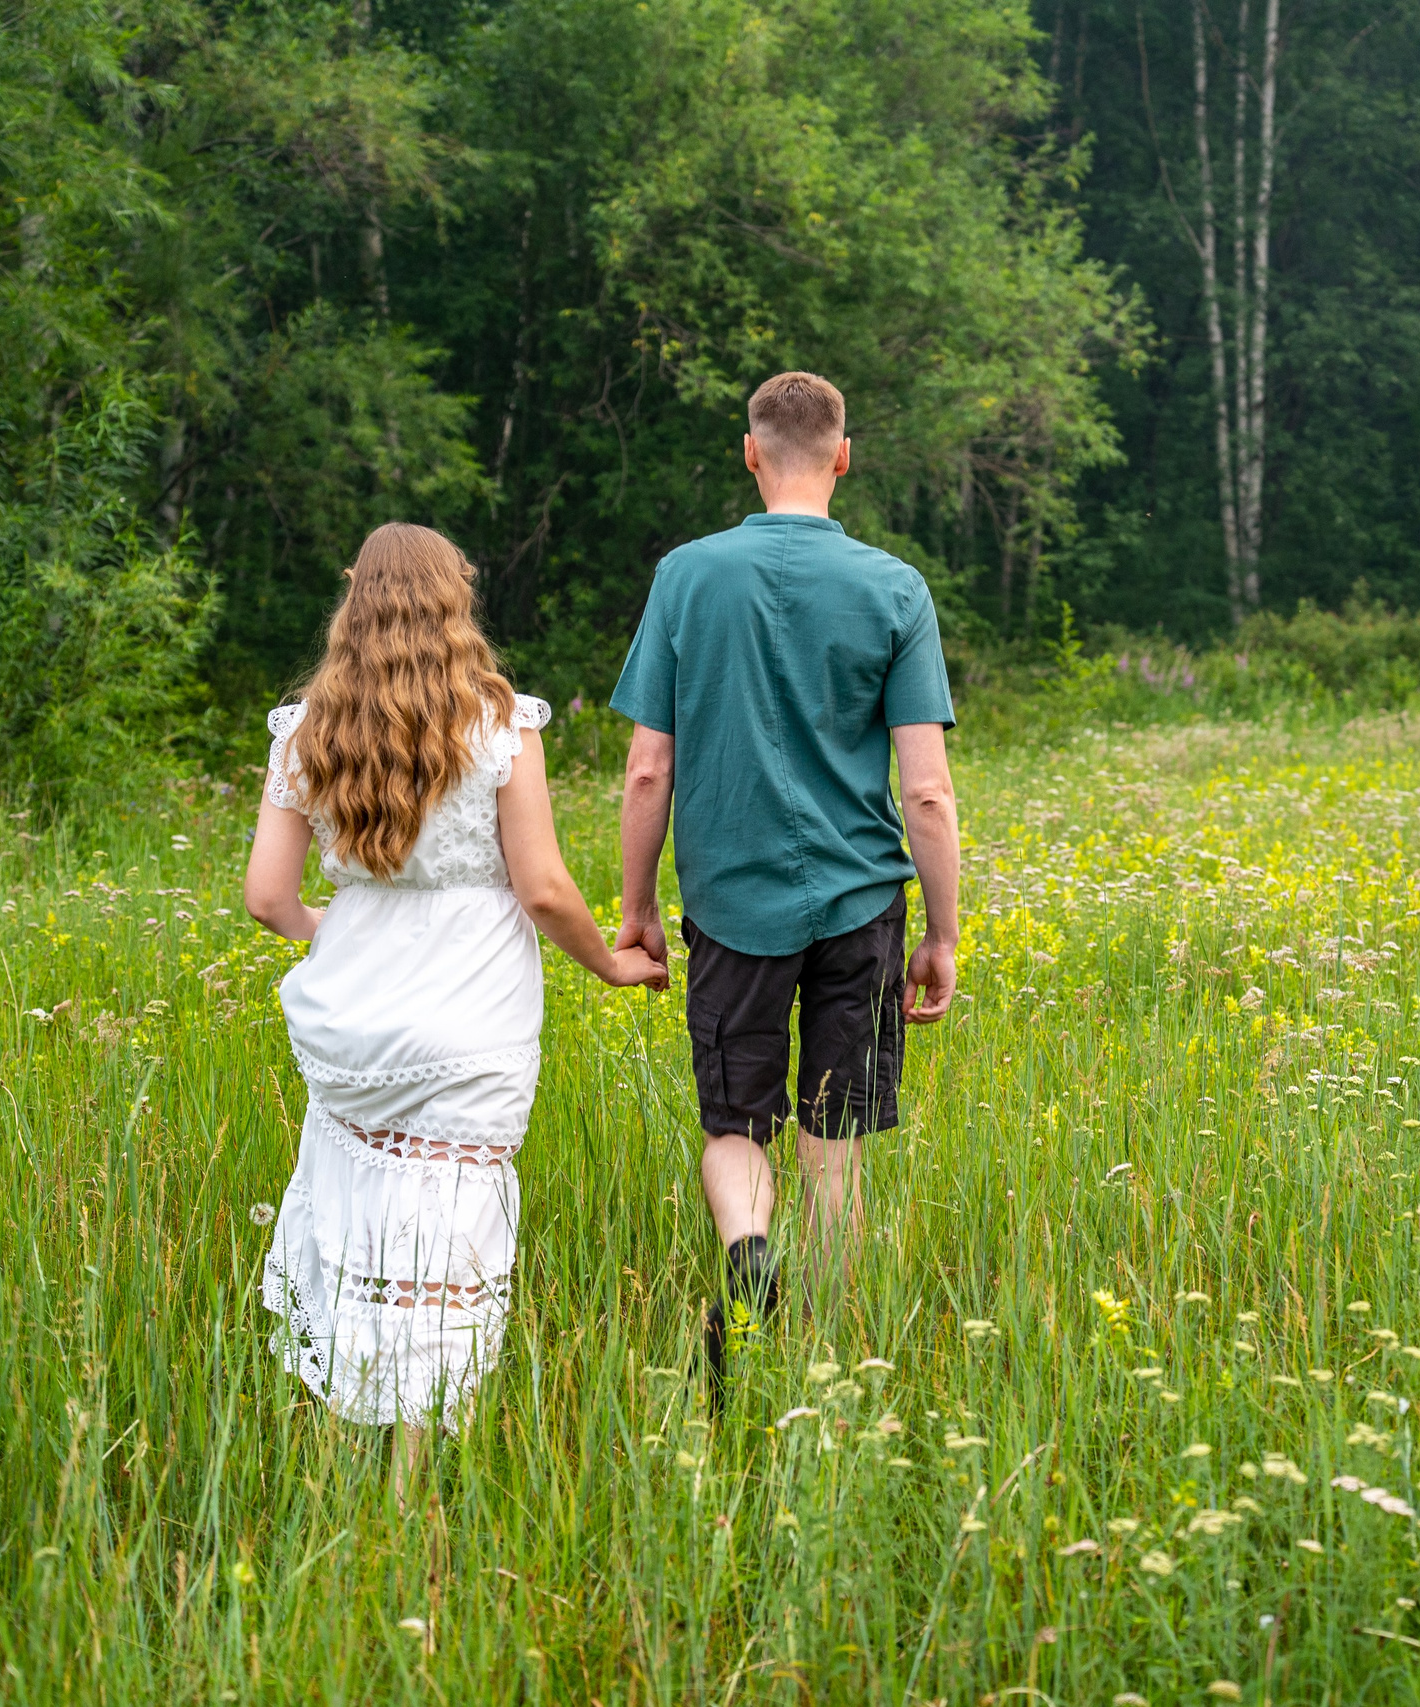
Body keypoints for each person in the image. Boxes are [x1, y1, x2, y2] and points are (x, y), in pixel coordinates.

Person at [246, 522, 665, 1495]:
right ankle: (409, 1483)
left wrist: (344, 934)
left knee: (348, 1220)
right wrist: (608, 964)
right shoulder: (499, 725)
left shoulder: (305, 730)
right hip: (471, 1014)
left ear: (354, 598)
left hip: (349, 1023)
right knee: (447, 1235)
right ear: (456, 598)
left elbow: (268, 898)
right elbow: (548, 889)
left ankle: (332, 1463)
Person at [611, 370, 961, 1397]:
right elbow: (928, 792)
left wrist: (636, 906)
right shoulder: (894, 588)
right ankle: (832, 1363)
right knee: (836, 1144)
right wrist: (939, 932)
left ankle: (747, 1250)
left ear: (751, 452)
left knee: (736, 1127)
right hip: (860, 903)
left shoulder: (686, 576)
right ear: (842, 457)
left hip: (729, 903)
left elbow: (647, 767)